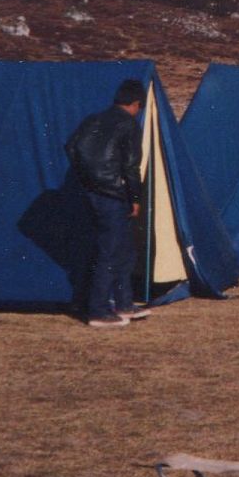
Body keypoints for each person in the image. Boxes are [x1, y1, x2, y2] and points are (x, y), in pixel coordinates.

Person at [65, 78, 149, 328]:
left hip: (92, 193)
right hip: (114, 195)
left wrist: (87, 179)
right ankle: (99, 311)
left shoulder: (93, 119)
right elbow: (131, 166)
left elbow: (70, 147)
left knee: (122, 249)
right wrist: (135, 198)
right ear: (135, 104)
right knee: (111, 251)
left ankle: (124, 304)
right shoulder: (129, 125)